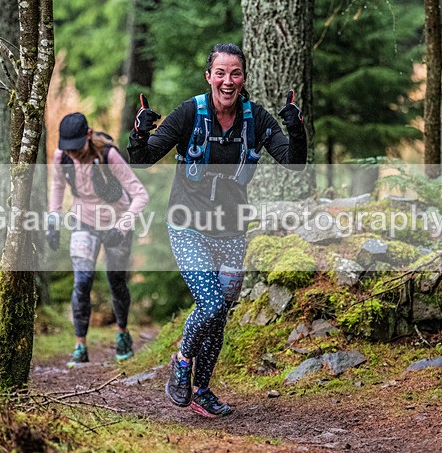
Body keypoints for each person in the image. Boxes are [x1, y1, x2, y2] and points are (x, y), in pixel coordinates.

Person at [128, 43, 308, 417]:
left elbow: (294, 164)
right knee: (209, 304)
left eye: (236, 73)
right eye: (221, 73)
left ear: (243, 78)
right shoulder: (189, 114)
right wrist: (140, 134)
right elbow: (142, 162)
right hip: (187, 226)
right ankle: (181, 362)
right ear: (209, 76)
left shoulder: (256, 119)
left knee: (219, 316)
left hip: (232, 231)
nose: (228, 81)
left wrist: (295, 127)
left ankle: (202, 391)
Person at [47, 112, 149, 367]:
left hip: (117, 221)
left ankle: (123, 335)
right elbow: (58, 188)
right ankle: (80, 345)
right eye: (67, 149)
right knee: (82, 280)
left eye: (77, 148)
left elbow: (140, 195)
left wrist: (122, 226)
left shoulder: (108, 156)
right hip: (84, 221)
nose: (73, 154)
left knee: (116, 281)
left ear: (88, 135)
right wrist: (53, 222)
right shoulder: (62, 159)